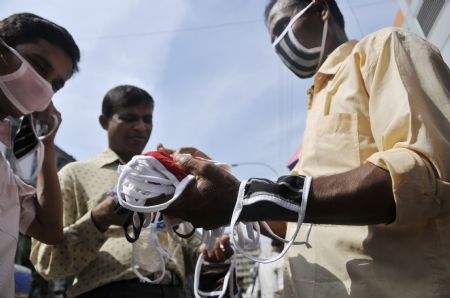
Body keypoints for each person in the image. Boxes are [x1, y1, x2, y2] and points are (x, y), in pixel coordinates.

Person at [160, 0, 450, 297]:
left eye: (284, 26)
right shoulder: (316, 108)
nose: (280, 43)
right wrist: (231, 193)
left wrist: (249, 198)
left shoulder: (384, 47)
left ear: (321, 10)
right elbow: (291, 220)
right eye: (273, 38)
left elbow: (425, 174)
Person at [30, 85, 235, 298]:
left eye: (147, 119)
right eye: (129, 118)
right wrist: (99, 218)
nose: (140, 127)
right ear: (104, 121)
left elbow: (190, 247)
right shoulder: (75, 174)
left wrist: (212, 253)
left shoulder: (169, 179)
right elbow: (48, 264)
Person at [0, 12, 80, 298]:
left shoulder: (5, 176)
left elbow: (50, 230)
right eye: (37, 65)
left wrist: (47, 146)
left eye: (55, 85)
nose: (43, 86)